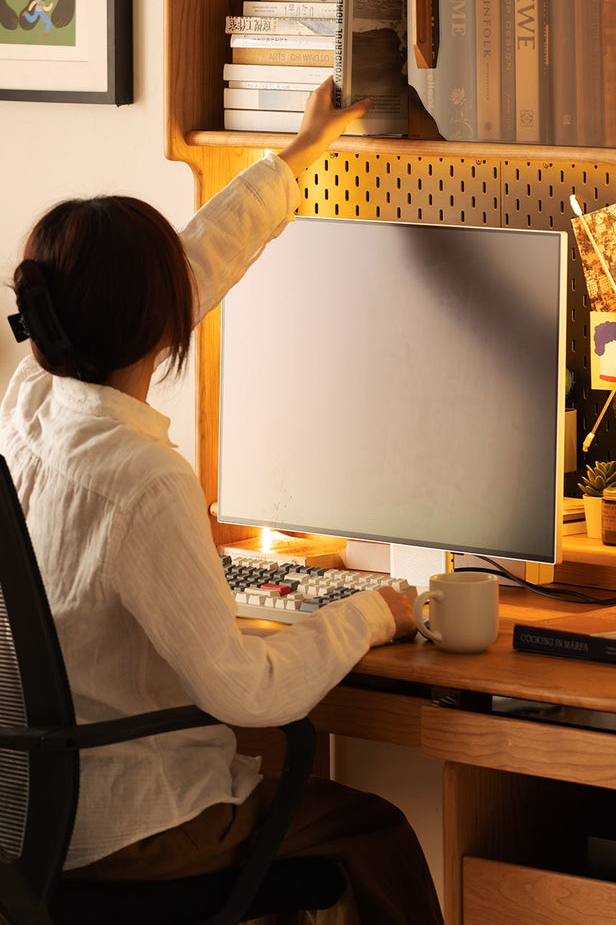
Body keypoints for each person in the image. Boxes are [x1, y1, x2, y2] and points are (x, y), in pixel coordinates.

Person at [0, 78, 443, 925]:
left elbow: (192, 263)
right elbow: (248, 693)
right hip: (138, 828)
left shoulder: (28, 405)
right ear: (161, 321)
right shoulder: (143, 477)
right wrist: (370, 615)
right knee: (372, 830)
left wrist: (298, 157)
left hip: (26, 828)